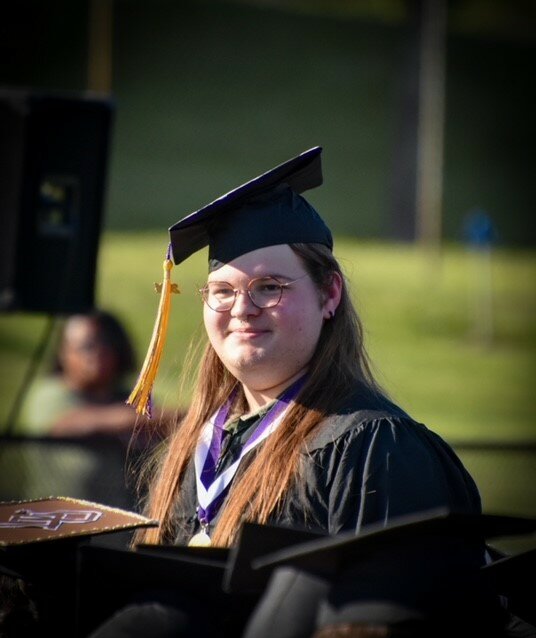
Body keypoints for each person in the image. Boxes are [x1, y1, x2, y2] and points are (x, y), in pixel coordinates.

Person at [130, 146, 481, 550]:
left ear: (329, 294)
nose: (243, 309)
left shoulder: (374, 448)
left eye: (269, 287)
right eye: (222, 291)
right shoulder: (197, 445)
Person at [18, 309, 168, 440]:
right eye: (88, 346)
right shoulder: (50, 394)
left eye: (108, 344)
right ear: (64, 353)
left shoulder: (128, 397)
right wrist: (140, 419)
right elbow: (74, 424)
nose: (99, 353)